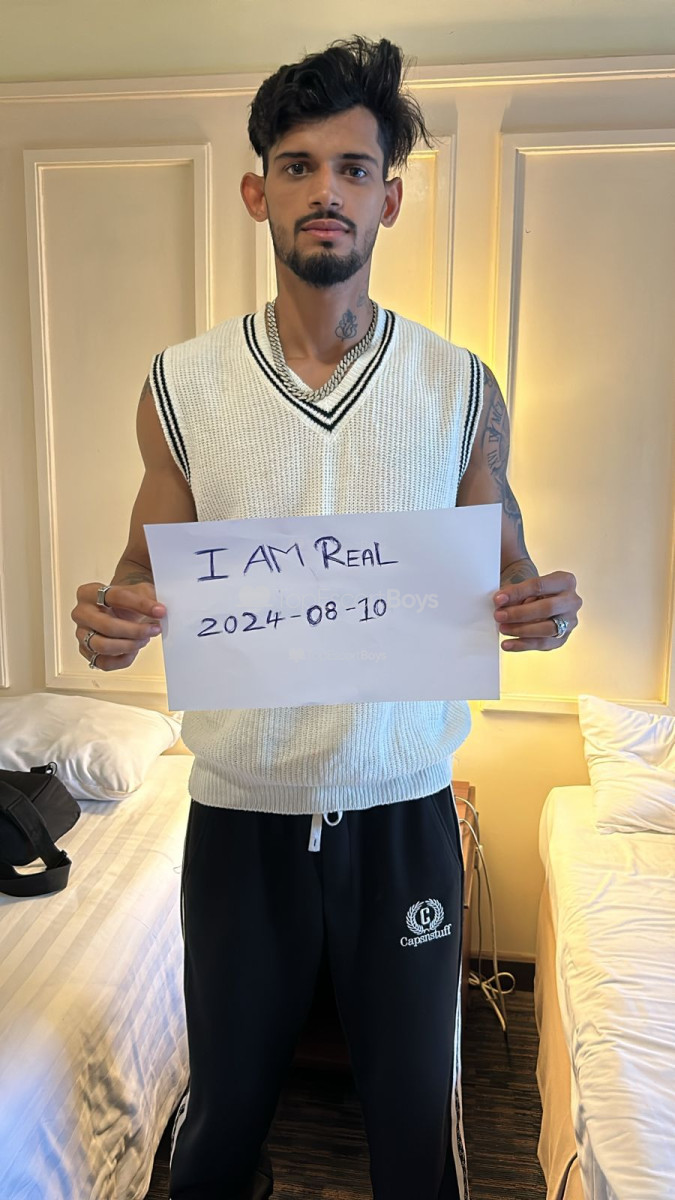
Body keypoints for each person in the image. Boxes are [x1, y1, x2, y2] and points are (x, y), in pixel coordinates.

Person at [71, 35, 581, 1200]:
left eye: (353, 169)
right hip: (239, 817)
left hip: (402, 809)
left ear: (387, 199)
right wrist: (112, 618)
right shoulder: (181, 385)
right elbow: (139, 575)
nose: (326, 191)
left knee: (413, 1129)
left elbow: (508, 571)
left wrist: (542, 613)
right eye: (298, 167)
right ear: (259, 193)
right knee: (221, 1126)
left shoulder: (460, 387)